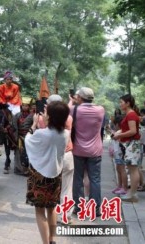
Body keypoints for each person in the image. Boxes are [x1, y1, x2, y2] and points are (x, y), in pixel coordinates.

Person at [25, 101, 70, 244]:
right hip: (56, 175)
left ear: (50, 117)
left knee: (40, 211)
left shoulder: (41, 133)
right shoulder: (66, 134)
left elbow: (28, 141)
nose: (43, 115)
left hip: (40, 176)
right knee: (52, 208)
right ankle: (52, 239)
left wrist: (33, 126)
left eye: (46, 113)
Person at [33, 94, 74, 225]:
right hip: (67, 154)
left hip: (50, 157)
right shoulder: (68, 118)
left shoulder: (42, 119)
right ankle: (65, 215)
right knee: (67, 187)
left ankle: (51, 214)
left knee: (52, 187)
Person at [69, 87, 105, 215]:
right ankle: (96, 209)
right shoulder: (101, 110)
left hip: (78, 150)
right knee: (95, 179)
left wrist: (71, 101)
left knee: (78, 178)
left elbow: (68, 119)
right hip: (95, 151)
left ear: (79, 97)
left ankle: (78, 207)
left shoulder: (74, 110)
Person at [111, 94, 142, 202]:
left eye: (121, 102)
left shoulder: (131, 115)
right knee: (132, 169)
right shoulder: (129, 114)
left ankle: (132, 194)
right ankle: (131, 193)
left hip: (132, 144)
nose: (120, 104)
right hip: (130, 144)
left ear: (128, 103)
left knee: (133, 170)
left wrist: (119, 135)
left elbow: (133, 131)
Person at [12, 97, 34, 176]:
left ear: (29, 107)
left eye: (27, 106)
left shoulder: (32, 116)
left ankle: (29, 169)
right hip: (19, 137)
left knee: (29, 153)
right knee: (19, 153)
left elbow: (34, 127)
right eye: (23, 105)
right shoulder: (17, 115)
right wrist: (15, 137)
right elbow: (14, 127)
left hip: (29, 137)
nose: (25, 107)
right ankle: (19, 169)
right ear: (21, 106)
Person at [110, 109, 128, 196]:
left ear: (118, 124)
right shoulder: (120, 131)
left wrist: (113, 134)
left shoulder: (120, 132)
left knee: (122, 170)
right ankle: (120, 186)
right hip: (117, 153)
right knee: (118, 169)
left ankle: (124, 188)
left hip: (120, 153)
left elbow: (114, 137)